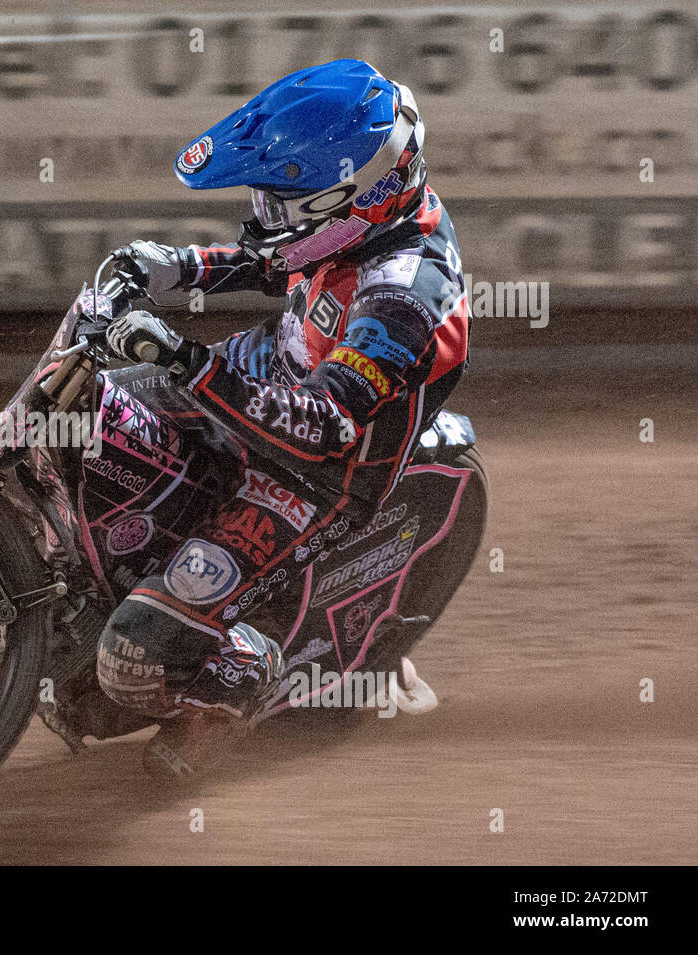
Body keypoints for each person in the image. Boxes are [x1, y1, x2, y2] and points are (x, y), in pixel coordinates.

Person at [92, 58, 470, 779]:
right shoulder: (359, 220)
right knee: (90, 422)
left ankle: (243, 682)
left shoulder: (406, 295)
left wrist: (188, 362)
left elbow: (324, 427)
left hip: (316, 476)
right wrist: (170, 266)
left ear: (351, 198)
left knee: (129, 655)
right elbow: (277, 259)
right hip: (261, 376)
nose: (264, 214)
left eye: (281, 202)